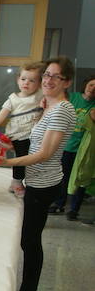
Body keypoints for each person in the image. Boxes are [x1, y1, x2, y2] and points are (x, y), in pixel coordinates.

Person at [3, 57, 77, 291]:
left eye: (55, 76)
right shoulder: (48, 105)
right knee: (28, 238)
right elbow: (30, 141)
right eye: (46, 74)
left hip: (44, 183)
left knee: (30, 240)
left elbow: (44, 154)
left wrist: (3, 163)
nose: (47, 80)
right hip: (35, 180)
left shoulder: (62, 110)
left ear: (66, 81)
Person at [0, 62, 43, 198]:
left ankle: (19, 182)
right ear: (18, 80)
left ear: (39, 83)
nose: (26, 83)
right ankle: (17, 182)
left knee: (32, 161)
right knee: (21, 159)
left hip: (35, 135)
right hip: (18, 135)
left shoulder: (40, 96)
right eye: (23, 79)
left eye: (32, 80)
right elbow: (0, 116)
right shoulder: (13, 99)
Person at [50, 74, 95, 218]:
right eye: (91, 85)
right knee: (62, 176)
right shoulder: (72, 97)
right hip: (66, 145)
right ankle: (59, 204)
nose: (93, 89)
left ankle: (74, 209)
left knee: (80, 178)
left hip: (84, 150)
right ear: (86, 84)